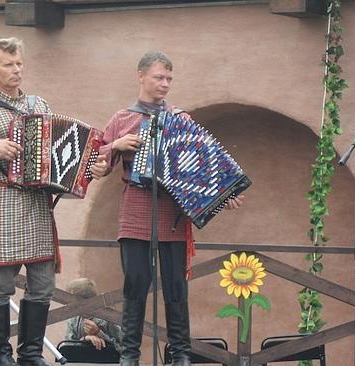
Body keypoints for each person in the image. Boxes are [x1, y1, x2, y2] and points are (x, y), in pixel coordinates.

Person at [0, 37, 108, 366]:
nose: (16, 69)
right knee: (0, 286)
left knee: (43, 284)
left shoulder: (38, 105)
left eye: (19, 63)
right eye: (8, 64)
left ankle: (30, 354)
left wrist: (91, 167)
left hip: (36, 207)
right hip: (0, 204)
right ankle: (1, 354)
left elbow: (59, 156)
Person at [98, 51, 244, 366]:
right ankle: (129, 355)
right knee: (135, 281)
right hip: (135, 204)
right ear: (141, 76)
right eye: (159, 77)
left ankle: (180, 353)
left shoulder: (181, 119)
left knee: (176, 284)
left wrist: (222, 194)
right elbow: (96, 166)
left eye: (169, 79)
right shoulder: (122, 118)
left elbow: (202, 165)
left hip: (171, 210)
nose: (165, 84)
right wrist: (115, 146)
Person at [64, 278, 123, 353]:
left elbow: (124, 347)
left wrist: (98, 333)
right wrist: (85, 339)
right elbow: (67, 348)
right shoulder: (73, 320)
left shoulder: (108, 318)